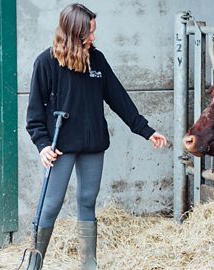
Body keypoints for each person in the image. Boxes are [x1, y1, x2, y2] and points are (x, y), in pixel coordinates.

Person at [25, 3, 167, 269]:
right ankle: (35, 264)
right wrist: (42, 145)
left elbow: (119, 99)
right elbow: (33, 114)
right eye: (89, 33)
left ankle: (89, 264)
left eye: (93, 32)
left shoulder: (97, 59)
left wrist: (146, 131)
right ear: (73, 33)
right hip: (60, 148)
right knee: (51, 204)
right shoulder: (46, 63)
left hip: (92, 145)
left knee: (87, 201)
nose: (93, 38)